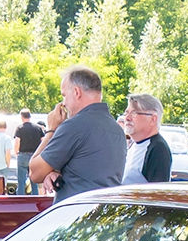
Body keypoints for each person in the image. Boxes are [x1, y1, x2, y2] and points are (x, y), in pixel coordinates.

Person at [27, 65, 126, 201]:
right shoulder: (117, 129)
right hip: (104, 212)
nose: (63, 103)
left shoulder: (75, 126)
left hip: (76, 214)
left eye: (64, 95)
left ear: (76, 92)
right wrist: (55, 171)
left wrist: (52, 129)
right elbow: (87, 166)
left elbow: (35, 173)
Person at [120, 92, 171, 184]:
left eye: (134, 113)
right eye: (126, 113)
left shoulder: (157, 149)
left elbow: (157, 193)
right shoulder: (134, 145)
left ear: (153, 119)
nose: (127, 118)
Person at [13, 109, 44, 194]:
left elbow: (17, 141)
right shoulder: (38, 128)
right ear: (30, 116)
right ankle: (35, 200)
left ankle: (20, 200)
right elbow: (43, 141)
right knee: (34, 182)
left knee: (21, 182)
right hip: (35, 156)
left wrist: (16, 152)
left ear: (22, 117)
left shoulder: (20, 128)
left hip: (22, 155)